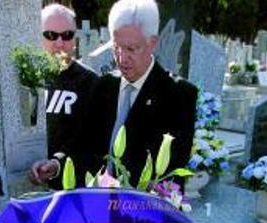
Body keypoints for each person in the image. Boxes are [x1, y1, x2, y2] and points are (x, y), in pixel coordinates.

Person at [76, 0, 196, 186]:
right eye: (116, 47)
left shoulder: (178, 94)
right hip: (97, 203)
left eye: (131, 48)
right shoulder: (103, 86)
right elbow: (85, 145)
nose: (122, 58)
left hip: (143, 209)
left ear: (152, 43)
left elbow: (171, 169)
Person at [28, 3, 98, 188]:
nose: (60, 43)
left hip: (70, 189)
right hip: (26, 184)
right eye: (51, 35)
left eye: (67, 35)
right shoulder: (27, 78)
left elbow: (92, 142)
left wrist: (56, 164)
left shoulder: (91, 82)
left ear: (75, 39)